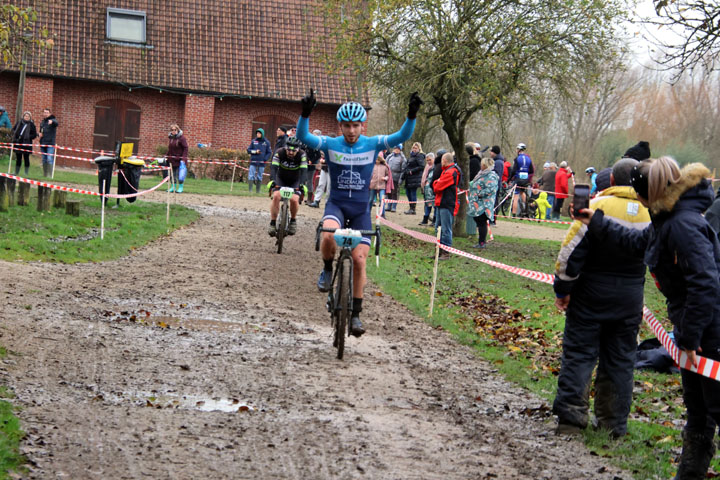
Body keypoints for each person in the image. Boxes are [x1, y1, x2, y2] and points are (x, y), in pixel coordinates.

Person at [577, 157, 720, 479]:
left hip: (710, 330)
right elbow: (635, 242)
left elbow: (706, 282)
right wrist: (594, 221)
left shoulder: (683, 225)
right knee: (698, 410)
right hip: (693, 325)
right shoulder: (665, 220)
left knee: (715, 407)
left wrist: (691, 337)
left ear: (648, 192)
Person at [297, 89, 421, 337]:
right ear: (340, 126)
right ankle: (328, 268)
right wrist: (305, 114)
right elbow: (304, 137)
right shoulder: (331, 144)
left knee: (359, 260)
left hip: (361, 209)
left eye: (355, 126)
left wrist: (411, 114)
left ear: (362, 126)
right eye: (346, 126)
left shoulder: (373, 143)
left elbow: (402, 135)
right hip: (338, 205)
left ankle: (355, 314)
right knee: (328, 235)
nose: (351, 131)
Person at [552, 157, 650, 438]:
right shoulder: (651, 214)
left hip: (590, 296)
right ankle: (613, 423)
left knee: (580, 355)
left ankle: (571, 418)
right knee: (620, 360)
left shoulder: (594, 208)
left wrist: (563, 290)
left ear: (610, 180)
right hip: (630, 298)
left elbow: (570, 254)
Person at [267, 137, 307, 236]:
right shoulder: (279, 152)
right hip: (281, 178)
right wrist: (273, 180)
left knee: (294, 199)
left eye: (294, 151)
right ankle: (272, 222)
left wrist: (302, 184)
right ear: (285, 148)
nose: (290, 152)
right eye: (288, 150)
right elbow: (273, 168)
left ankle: (293, 220)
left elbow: (304, 171)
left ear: (298, 150)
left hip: (295, 180)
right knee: (276, 196)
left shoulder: (302, 155)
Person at [433, 152, 461, 259]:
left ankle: (446, 252)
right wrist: (437, 182)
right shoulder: (446, 171)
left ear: (444, 160)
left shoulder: (451, 172)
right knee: (438, 228)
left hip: (447, 203)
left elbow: (437, 187)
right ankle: (438, 250)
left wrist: (437, 182)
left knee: (446, 229)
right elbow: (437, 184)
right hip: (440, 202)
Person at [467, 157, 498, 249]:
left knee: (482, 222)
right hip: (477, 203)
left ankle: (482, 242)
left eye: (482, 164)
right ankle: (481, 241)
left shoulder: (491, 176)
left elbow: (491, 189)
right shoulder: (481, 174)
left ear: (484, 165)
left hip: (484, 204)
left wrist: (480, 194)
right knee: (478, 221)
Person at [510, 142, 534, 217]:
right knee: (522, 193)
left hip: (518, 178)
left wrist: (509, 179)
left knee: (516, 196)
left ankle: (514, 214)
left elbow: (513, 171)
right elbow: (531, 170)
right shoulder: (528, 159)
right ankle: (528, 209)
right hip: (525, 179)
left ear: (519, 150)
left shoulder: (517, 159)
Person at [11, 111, 37, 176]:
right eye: (25, 116)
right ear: (23, 116)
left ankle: (26, 173)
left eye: (28, 116)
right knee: (18, 158)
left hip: (26, 144)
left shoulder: (32, 125)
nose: (26, 117)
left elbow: (34, 135)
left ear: (30, 117)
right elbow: (13, 130)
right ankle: (16, 172)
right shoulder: (19, 123)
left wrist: (28, 137)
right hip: (18, 143)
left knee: (26, 158)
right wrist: (16, 137)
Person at [247, 128, 272, 193]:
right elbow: (248, 150)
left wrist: (265, 159)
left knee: (259, 176)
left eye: (259, 133)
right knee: (251, 175)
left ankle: (258, 191)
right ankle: (250, 190)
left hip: (262, 163)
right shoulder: (253, 141)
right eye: (257, 133)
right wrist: (255, 151)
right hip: (253, 162)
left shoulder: (266, 142)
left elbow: (269, 152)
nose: (258, 134)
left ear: (262, 134)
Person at [403, 142, 425, 215]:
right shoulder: (411, 156)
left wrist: (412, 171)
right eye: (413, 148)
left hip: (415, 177)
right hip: (409, 178)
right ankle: (410, 207)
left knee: (413, 193)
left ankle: (413, 209)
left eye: (416, 148)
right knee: (407, 193)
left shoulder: (420, 156)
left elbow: (421, 166)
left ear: (419, 149)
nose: (414, 149)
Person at [167, 124, 189, 193]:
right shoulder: (171, 138)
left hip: (180, 160)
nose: (173, 131)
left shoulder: (182, 138)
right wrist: (167, 155)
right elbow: (170, 148)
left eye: (175, 130)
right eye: (172, 130)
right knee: (172, 175)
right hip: (172, 159)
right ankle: (173, 187)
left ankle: (180, 187)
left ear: (178, 130)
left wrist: (183, 158)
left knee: (179, 175)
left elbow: (186, 148)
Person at [385, 144, 406, 213]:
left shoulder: (402, 158)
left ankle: (394, 206)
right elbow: (385, 165)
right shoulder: (389, 156)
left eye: (398, 149)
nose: (396, 150)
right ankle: (389, 205)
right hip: (389, 176)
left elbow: (403, 170)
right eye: (395, 148)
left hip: (396, 177)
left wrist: (400, 179)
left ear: (400, 150)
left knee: (395, 192)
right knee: (389, 192)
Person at [39, 108, 59, 178]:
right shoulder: (42, 122)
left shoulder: (53, 120)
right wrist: (39, 134)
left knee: (49, 158)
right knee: (44, 159)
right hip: (43, 143)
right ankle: (45, 174)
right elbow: (40, 131)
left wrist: (52, 122)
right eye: (44, 112)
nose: (45, 114)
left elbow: (56, 123)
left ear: (49, 113)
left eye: (47, 112)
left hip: (50, 143)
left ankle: (50, 175)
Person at [304, 129, 323, 204]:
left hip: (312, 165)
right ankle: (301, 196)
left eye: (315, 134)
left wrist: (312, 161)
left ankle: (310, 198)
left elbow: (318, 155)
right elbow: (304, 152)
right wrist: (307, 159)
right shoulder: (307, 143)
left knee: (310, 181)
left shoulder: (317, 144)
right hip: (305, 163)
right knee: (303, 180)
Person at [489, 146, 506, 224]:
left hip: (495, 185)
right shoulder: (496, 161)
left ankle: (492, 219)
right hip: (494, 185)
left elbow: (497, 175)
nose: (490, 153)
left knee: (494, 203)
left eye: (491, 151)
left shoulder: (498, 162)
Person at [419, 152, 435, 225]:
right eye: (427, 160)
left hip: (433, 190)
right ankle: (425, 219)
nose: (428, 162)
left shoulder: (435, 167)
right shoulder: (427, 166)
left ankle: (434, 220)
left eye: (430, 160)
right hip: (426, 189)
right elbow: (423, 177)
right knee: (427, 205)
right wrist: (422, 187)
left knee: (434, 206)